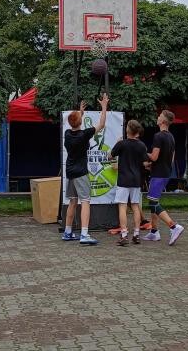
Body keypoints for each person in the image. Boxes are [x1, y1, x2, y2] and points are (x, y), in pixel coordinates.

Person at [62, 93, 109, 245]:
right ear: (80, 121)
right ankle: (84, 234)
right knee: (86, 202)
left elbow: (75, 123)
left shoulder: (67, 134)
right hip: (81, 172)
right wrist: (103, 107)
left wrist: (79, 113)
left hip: (70, 171)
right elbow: (101, 125)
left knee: (72, 202)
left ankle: (68, 232)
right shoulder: (84, 135)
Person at [143, 110, 184, 245]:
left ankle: (174, 226)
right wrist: (152, 165)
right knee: (153, 200)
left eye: (160, 116)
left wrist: (141, 151)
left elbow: (154, 156)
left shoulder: (158, 136)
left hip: (159, 174)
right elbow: (170, 158)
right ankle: (154, 232)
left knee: (153, 202)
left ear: (163, 121)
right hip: (164, 172)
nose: (158, 117)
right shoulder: (171, 137)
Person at [109, 120, 148, 245]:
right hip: (136, 179)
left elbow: (110, 156)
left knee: (122, 206)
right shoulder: (142, 145)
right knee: (136, 206)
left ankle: (124, 234)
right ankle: (136, 234)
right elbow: (145, 163)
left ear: (128, 130)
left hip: (123, 179)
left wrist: (116, 143)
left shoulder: (122, 144)